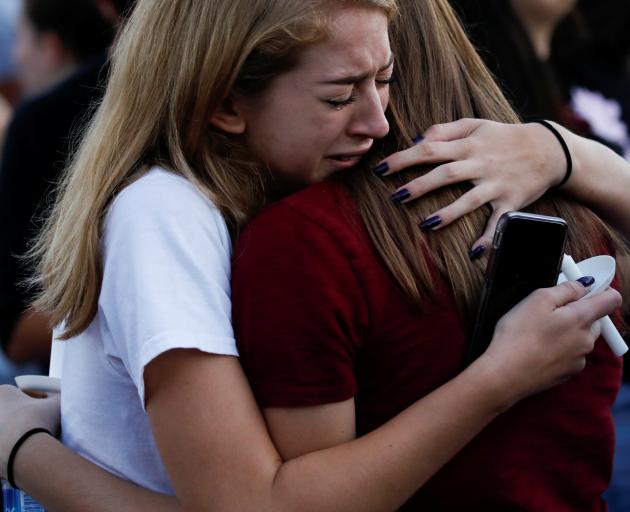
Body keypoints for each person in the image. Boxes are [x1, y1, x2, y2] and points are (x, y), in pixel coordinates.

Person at [0, 0, 627, 510]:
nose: (379, 122)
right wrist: (22, 451)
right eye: (338, 96)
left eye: (387, 80)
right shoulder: (163, 213)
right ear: (223, 103)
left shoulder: (257, 196)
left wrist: (565, 153)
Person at [0, 0, 127, 371]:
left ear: (52, 46)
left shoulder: (42, 122)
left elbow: (15, 331)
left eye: (24, 39)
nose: (17, 55)